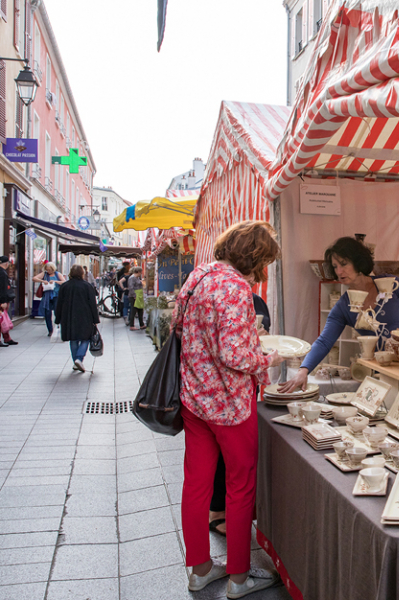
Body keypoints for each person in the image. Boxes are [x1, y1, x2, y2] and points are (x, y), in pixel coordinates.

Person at [174, 220, 284, 598]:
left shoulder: (199, 275)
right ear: (255, 257)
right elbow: (234, 354)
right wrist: (266, 357)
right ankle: (239, 577)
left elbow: (180, 328)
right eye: (265, 260)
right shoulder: (236, 287)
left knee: (197, 485)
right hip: (230, 404)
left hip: (194, 397)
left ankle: (200, 569)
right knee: (240, 487)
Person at [279, 236, 399, 393]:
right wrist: (303, 371)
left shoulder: (391, 285)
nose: (339, 271)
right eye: (335, 266)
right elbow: (324, 341)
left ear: (357, 262)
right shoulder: (343, 307)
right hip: (385, 371)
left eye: (343, 264)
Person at [209, 277, 272, 537]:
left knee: (225, 462)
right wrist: (266, 359)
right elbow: (233, 353)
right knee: (235, 464)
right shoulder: (229, 296)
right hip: (227, 392)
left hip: (217, 391)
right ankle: (222, 514)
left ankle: (206, 565)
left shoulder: (254, 301)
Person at [54, 265, 100, 373]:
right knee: (86, 338)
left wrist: (58, 318)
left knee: (73, 338)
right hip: (85, 316)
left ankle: (76, 360)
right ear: (82, 273)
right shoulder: (87, 286)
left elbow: (59, 303)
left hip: (68, 316)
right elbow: (92, 304)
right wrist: (95, 319)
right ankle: (79, 358)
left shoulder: (65, 286)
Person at [33, 263, 66, 336]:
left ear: (53, 269)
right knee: (47, 313)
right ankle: (50, 330)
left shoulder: (57, 274)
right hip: (47, 296)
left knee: (57, 312)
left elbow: (64, 282)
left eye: (50, 270)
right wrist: (42, 281)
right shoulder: (44, 274)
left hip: (56, 295)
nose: (48, 271)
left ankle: (59, 326)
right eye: (47, 270)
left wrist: (55, 281)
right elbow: (34, 278)